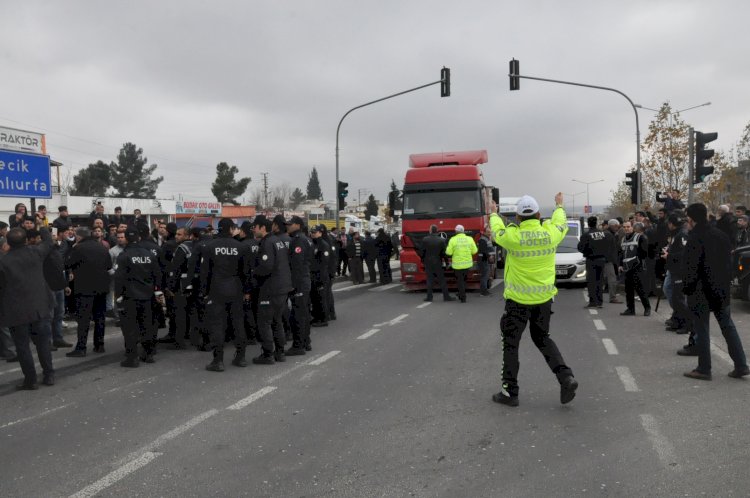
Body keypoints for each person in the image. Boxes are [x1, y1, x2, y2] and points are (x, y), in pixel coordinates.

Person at [488, 193, 578, 407]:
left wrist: (493, 213)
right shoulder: (550, 234)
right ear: (539, 215)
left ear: (518, 218)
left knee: (511, 344)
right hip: (544, 300)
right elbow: (560, 221)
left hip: (517, 301)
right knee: (543, 338)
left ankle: (510, 392)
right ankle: (565, 377)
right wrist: (559, 205)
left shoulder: (513, 237)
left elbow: (497, 230)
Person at [682, 203, 749, 380]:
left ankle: (704, 368)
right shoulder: (721, 235)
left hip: (700, 291)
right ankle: (741, 364)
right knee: (727, 326)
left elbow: (691, 268)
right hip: (720, 289)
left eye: (687, 218)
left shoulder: (695, 238)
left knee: (702, 329)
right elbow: (729, 264)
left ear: (692, 218)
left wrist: (687, 289)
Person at [0, 227, 55, 389]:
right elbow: (48, 241)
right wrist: (42, 226)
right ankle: (49, 375)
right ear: (25, 240)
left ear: (7, 243)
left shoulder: (3, 261)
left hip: (16, 311)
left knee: (22, 346)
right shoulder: (35, 253)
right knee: (43, 343)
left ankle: (30, 380)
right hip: (40, 307)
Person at [199, 218, 251, 371]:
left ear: (218, 229)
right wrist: (247, 290)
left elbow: (205, 272)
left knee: (217, 325)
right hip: (236, 289)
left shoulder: (210, 246)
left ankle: (218, 360)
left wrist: (204, 292)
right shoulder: (240, 247)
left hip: (216, 289)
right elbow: (246, 272)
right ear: (230, 229)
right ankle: (241, 357)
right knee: (238, 324)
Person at [114, 227, 162, 367]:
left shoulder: (124, 256)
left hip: (130, 297)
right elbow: (157, 275)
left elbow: (119, 278)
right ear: (139, 238)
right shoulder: (149, 254)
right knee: (146, 326)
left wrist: (118, 296)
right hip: (147, 297)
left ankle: (132, 357)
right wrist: (157, 292)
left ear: (127, 239)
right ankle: (148, 354)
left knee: (130, 329)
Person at [65, 226, 112, 356]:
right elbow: (109, 265)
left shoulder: (78, 248)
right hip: (101, 288)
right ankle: (99, 345)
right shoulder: (102, 247)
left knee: (84, 319)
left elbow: (67, 263)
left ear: (79, 236)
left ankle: (81, 347)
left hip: (84, 288)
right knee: (100, 317)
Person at [252, 216, 293, 364]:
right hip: (282, 287)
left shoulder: (267, 242)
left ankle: (268, 353)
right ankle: (280, 352)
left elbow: (266, 266)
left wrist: (253, 272)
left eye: (255, 227)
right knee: (277, 320)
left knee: (264, 321)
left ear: (262, 228)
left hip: (271, 288)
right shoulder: (278, 241)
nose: (253, 230)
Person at [287, 216, 313, 355]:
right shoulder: (306, 239)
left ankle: (298, 345)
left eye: (290, 224)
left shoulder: (298, 241)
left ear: (297, 225)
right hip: (304, 281)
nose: (288, 226)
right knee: (303, 313)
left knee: (297, 315)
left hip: (300, 283)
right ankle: (305, 342)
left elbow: (297, 265)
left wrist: (292, 284)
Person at [578, 216, 615, 308]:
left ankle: (593, 302)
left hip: (591, 260)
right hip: (602, 260)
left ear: (589, 223)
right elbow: (609, 245)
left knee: (591, 282)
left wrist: (588, 251)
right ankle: (599, 301)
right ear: (596, 223)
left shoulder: (586, 235)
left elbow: (581, 247)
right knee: (599, 281)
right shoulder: (604, 234)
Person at [618, 221, 651, 316]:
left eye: (628, 227)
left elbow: (644, 253)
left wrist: (634, 262)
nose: (626, 228)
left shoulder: (640, 237)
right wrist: (620, 264)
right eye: (624, 227)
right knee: (628, 290)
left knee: (640, 289)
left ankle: (647, 308)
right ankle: (630, 309)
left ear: (632, 227)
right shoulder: (623, 239)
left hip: (637, 267)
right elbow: (621, 253)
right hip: (627, 268)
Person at [419, 225, 454, 302]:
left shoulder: (425, 240)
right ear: (437, 231)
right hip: (438, 262)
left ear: (430, 230)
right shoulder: (441, 240)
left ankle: (429, 297)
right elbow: (444, 254)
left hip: (428, 262)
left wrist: (423, 260)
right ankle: (446, 296)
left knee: (429, 280)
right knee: (442, 280)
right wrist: (447, 262)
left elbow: (421, 252)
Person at [445, 224, 477, 303]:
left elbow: (449, 252)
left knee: (460, 281)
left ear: (456, 231)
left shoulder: (453, 239)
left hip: (457, 265)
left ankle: (463, 297)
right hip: (467, 264)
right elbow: (475, 251)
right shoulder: (470, 239)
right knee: (464, 280)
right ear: (463, 231)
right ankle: (461, 293)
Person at [309, 225, 331, 328]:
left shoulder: (323, 244)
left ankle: (323, 319)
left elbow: (324, 263)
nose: (313, 234)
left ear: (320, 233)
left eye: (315, 232)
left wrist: (321, 278)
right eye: (312, 232)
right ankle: (316, 317)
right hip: (313, 275)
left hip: (320, 276)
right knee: (315, 298)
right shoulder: (312, 244)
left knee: (321, 298)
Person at [477, 226, 493, 296]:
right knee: (485, 275)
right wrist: (489, 256)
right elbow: (483, 250)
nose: (489, 233)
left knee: (486, 275)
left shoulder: (486, 238)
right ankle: (483, 292)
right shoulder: (482, 240)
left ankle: (484, 291)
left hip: (484, 258)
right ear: (484, 232)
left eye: (490, 232)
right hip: (482, 259)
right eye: (488, 232)